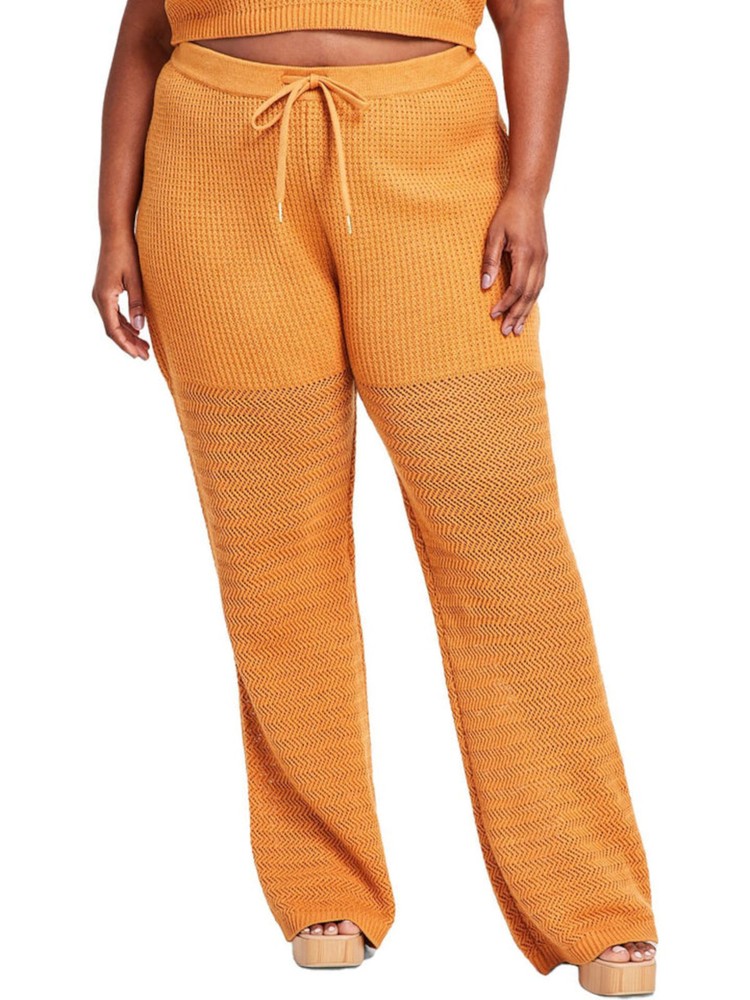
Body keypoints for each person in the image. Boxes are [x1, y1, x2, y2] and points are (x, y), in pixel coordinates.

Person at [91, 0, 659, 993]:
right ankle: (326, 884)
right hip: (210, 173)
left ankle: (593, 900)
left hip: (434, 160)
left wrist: (529, 189)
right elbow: (144, 32)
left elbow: (531, 12)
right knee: (273, 552)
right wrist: (111, 227)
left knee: (505, 546)